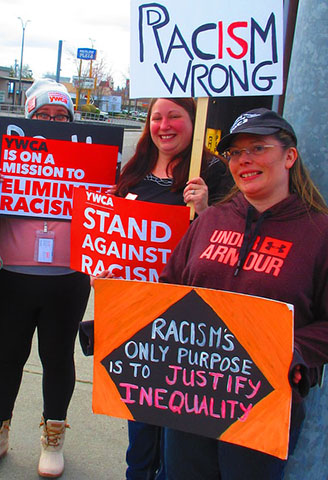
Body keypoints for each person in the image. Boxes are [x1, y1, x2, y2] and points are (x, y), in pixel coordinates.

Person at [159, 108, 328, 479]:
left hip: (264, 403)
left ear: (289, 156)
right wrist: (117, 298)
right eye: (235, 153)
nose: (244, 160)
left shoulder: (319, 232)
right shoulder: (211, 220)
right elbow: (169, 290)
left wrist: (295, 351)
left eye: (257, 148)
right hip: (188, 393)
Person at [0, 79, 92, 478]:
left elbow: (111, 220)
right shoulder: (5, 161)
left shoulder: (89, 159)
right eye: (42, 116)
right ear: (29, 118)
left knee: (58, 358)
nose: (52, 123)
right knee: (6, 358)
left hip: (67, 277)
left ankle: (53, 435)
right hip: (12, 275)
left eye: (60, 117)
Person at [109, 97, 232, 480]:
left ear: (193, 121)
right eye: (156, 117)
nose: (164, 125)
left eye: (174, 116)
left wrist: (209, 209)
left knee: (177, 431)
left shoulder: (214, 172)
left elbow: (234, 239)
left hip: (186, 318)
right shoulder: (136, 168)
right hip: (134, 311)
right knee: (140, 420)